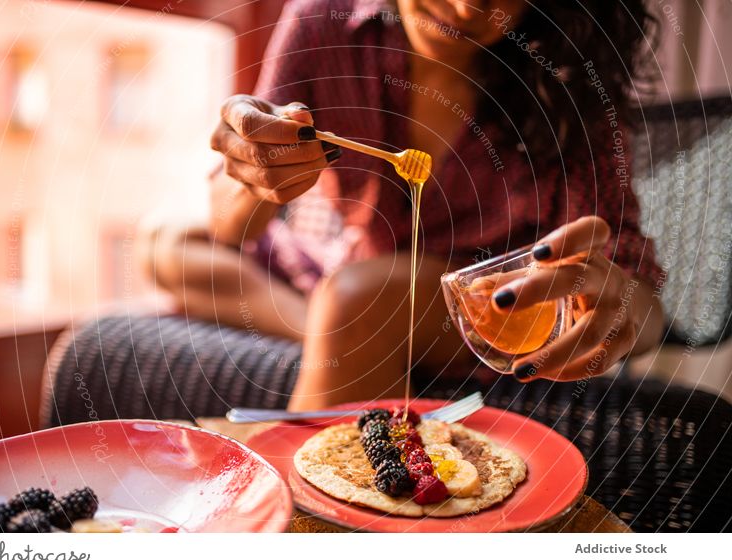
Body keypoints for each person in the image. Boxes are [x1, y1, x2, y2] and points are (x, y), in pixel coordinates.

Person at [143, 0, 664, 411]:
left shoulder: (566, 87)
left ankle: (353, 325)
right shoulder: (322, 21)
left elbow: (637, 288)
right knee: (164, 240)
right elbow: (233, 226)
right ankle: (340, 330)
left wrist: (620, 309)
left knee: (367, 295)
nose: (464, 8)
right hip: (340, 272)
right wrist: (255, 169)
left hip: (477, 308)